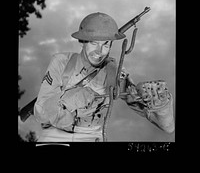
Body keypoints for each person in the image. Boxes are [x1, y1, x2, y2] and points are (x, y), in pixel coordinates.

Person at [34, 12, 175, 142]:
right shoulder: (62, 62)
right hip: (56, 134)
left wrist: (162, 108)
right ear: (82, 41)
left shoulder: (115, 73)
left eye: (106, 44)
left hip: (91, 136)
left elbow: (168, 128)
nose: (99, 51)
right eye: (94, 43)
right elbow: (40, 113)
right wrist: (70, 99)